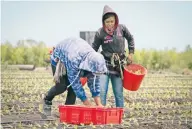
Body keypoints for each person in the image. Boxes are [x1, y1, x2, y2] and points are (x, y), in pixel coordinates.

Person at [92, 5, 135, 107]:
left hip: (118, 66)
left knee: (118, 93)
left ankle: (120, 115)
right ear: (104, 22)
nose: (110, 24)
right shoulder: (100, 33)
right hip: (104, 65)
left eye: (112, 21)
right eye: (107, 22)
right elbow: (94, 48)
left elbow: (130, 39)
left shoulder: (122, 28)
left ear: (116, 20)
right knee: (102, 92)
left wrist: (131, 53)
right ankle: (100, 115)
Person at [51, 37, 108, 107]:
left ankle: (68, 111)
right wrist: (88, 104)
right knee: (61, 86)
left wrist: (99, 104)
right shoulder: (74, 60)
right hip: (60, 60)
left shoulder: (94, 61)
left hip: (74, 54)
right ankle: (47, 99)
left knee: (72, 91)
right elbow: (75, 83)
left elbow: (94, 83)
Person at [43, 47, 76, 112]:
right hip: (58, 61)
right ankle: (47, 98)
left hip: (71, 64)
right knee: (61, 86)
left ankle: (67, 112)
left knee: (73, 87)